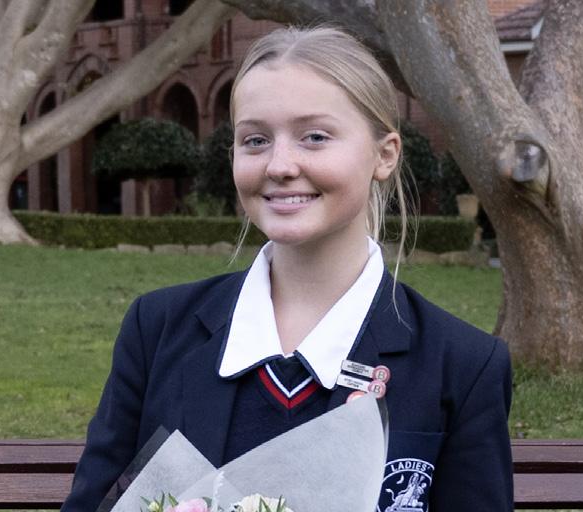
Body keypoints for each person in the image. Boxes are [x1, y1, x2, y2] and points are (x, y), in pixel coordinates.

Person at [61, 26, 513, 512]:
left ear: (385, 155)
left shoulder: (461, 364)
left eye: (315, 137)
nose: (279, 165)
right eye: (255, 140)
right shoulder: (157, 330)